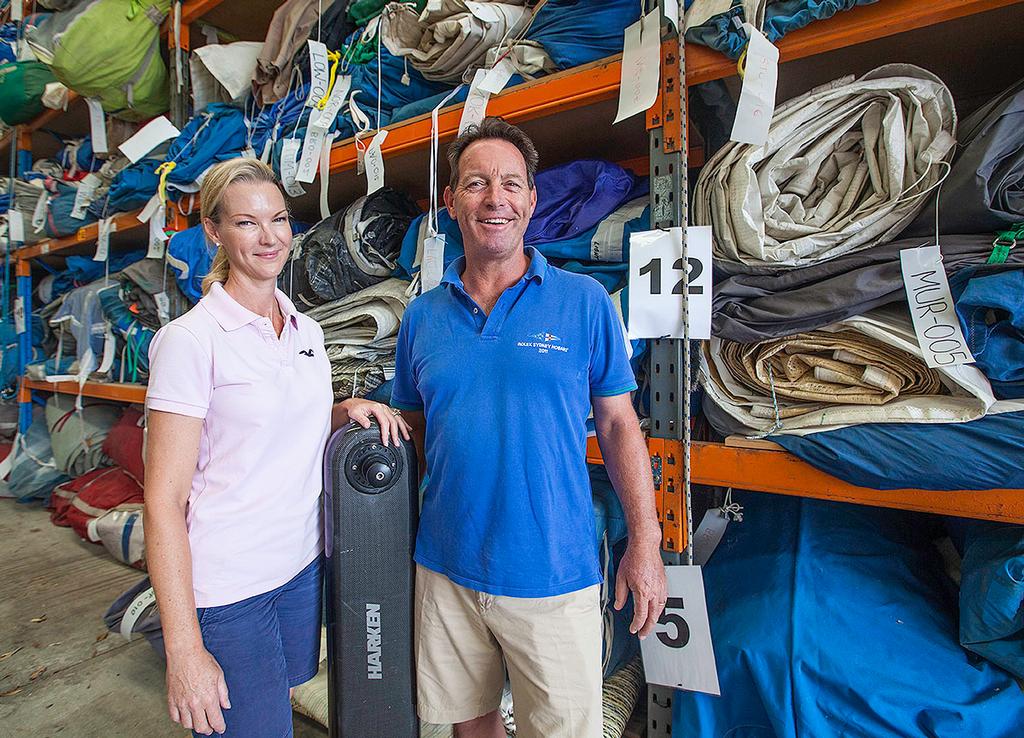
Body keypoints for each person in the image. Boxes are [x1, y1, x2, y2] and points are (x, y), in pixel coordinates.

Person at [391, 118, 667, 738]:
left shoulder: (585, 301)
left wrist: (645, 543)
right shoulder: (421, 317)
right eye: (477, 183)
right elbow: (409, 431)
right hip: (446, 568)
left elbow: (621, 425)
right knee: (470, 728)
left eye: (512, 184)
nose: (495, 199)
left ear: (532, 201)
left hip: (553, 573)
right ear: (451, 201)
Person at [144, 158, 410, 737]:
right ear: (214, 232)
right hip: (229, 586)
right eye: (246, 223)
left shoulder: (307, 332)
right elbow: (162, 503)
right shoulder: (189, 342)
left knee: (275, 710)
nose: (269, 238)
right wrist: (184, 648)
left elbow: (276, 427)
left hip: (299, 567)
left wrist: (340, 411)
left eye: (280, 219)